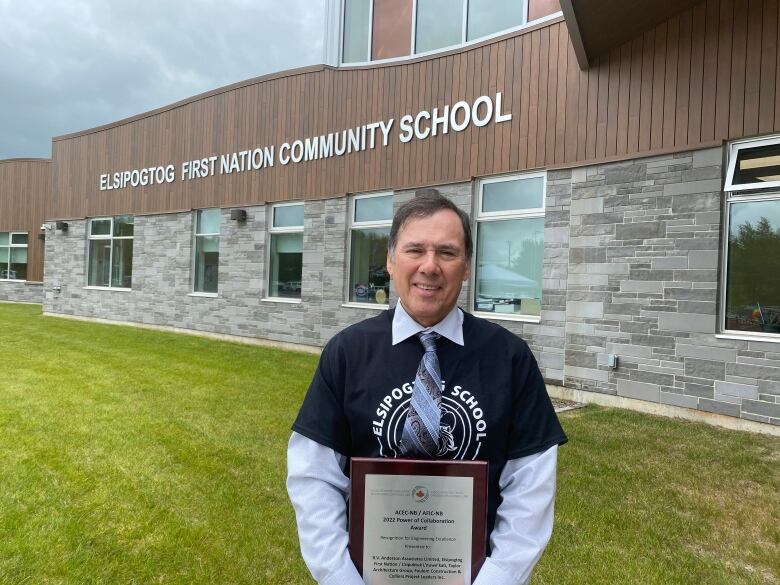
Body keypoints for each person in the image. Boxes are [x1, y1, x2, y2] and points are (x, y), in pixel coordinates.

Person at [287, 190, 567, 585]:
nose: (430, 266)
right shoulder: (347, 353)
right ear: (390, 260)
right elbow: (313, 478)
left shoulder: (510, 358)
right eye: (415, 249)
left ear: (466, 266)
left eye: (447, 253)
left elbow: (530, 488)